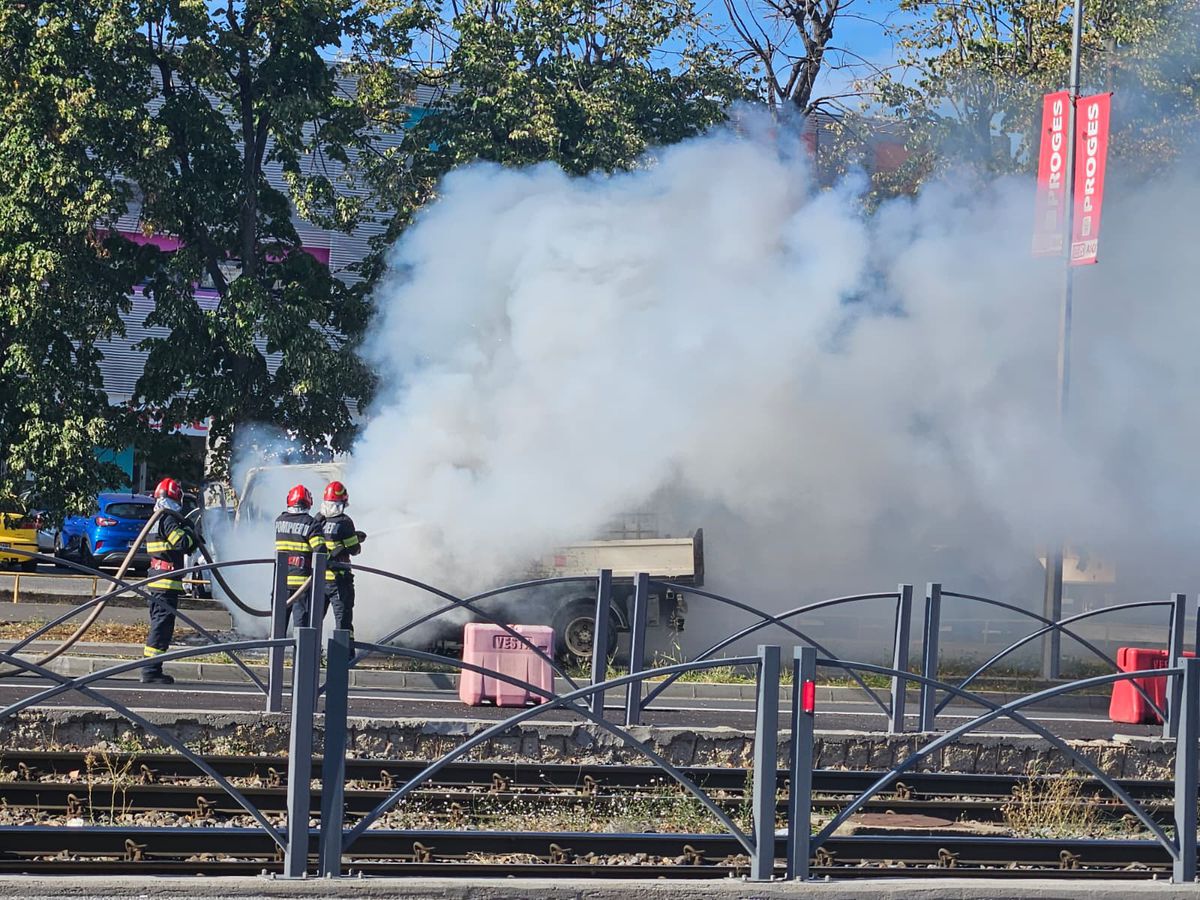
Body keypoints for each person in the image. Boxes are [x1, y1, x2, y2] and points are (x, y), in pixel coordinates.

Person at [143, 477, 196, 685]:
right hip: (165, 581)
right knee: (161, 626)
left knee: (160, 624)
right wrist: (191, 532)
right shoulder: (168, 519)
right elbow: (182, 543)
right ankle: (151, 669)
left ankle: (153, 667)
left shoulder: (155, 518)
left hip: (157, 578)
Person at [313, 481, 363, 635]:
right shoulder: (345, 522)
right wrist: (356, 539)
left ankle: (311, 655)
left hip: (318, 580)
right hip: (339, 580)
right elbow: (354, 550)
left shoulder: (317, 520)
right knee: (343, 624)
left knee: (314, 622)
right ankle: (345, 658)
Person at [274, 484, 323, 629]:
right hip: (302, 583)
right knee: (301, 626)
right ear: (308, 502)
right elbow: (320, 550)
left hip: (281, 581)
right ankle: (300, 652)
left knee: (278, 624)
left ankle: (276, 650)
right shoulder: (312, 524)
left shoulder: (279, 521)